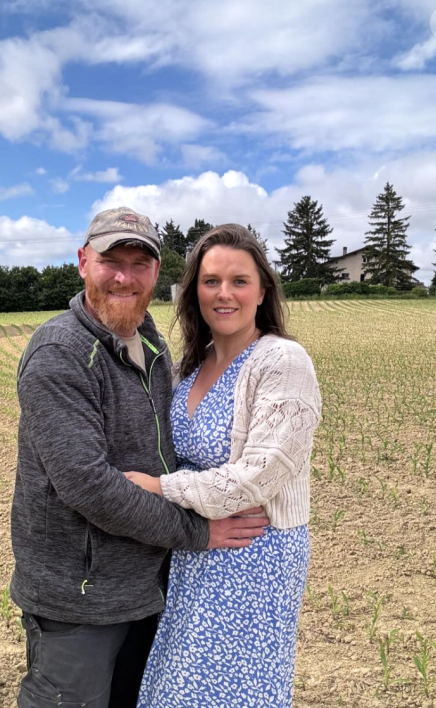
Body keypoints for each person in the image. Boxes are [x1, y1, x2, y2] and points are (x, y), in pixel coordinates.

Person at [10, 207, 269, 708]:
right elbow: (90, 486)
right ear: (84, 261)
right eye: (112, 261)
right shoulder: (60, 353)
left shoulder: (148, 341)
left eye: (140, 263)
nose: (125, 277)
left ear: (157, 273)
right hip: (78, 601)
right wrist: (198, 532)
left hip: (147, 586)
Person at [125, 223, 322, 708]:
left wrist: (159, 488)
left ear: (262, 291)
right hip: (193, 544)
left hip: (254, 549)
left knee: (231, 689)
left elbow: (260, 476)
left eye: (239, 281)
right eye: (211, 281)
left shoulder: (282, 360)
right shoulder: (190, 365)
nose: (224, 293)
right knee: (177, 679)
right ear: (193, 291)